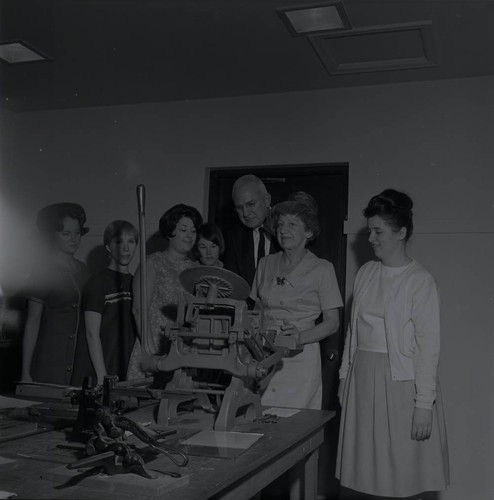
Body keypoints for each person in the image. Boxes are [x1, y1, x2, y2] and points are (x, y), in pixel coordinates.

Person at [336, 189, 449, 499]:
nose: (370, 238)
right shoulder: (366, 273)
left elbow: (428, 348)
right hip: (363, 380)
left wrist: (423, 405)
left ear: (400, 233)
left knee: (400, 475)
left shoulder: (420, 280)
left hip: (401, 385)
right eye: (370, 230)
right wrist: (345, 376)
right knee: (366, 477)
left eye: (378, 231)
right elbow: (353, 331)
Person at [249, 194, 343, 409]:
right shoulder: (265, 263)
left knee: (294, 425)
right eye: (280, 224)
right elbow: (257, 309)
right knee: (260, 420)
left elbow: (332, 322)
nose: (283, 230)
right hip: (264, 355)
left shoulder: (322, 268)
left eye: (292, 224)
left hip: (300, 359)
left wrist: (300, 337)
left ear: (308, 231)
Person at [126, 204, 202, 379]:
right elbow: (138, 311)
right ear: (170, 232)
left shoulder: (195, 269)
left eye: (193, 230)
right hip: (152, 350)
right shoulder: (152, 263)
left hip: (183, 352)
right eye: (183, 229)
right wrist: (152, 355)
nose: (190, 235)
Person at [21, 202, 89, 385]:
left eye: (77, 233)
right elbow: (32, 322)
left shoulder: (84, 270)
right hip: (49, 362)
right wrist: (25, 373)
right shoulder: (42, 271)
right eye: (66, 234)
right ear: (52, 236)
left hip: (78, 361)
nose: (73, 239)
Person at [80, 220, 138, 385]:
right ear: (108, 246)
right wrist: (102, 375)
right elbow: (91, 334)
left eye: (131, 241)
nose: (126, 248)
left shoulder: (136, 282)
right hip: (102, 368)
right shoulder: (98, 282)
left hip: (126, 367)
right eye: (119, 242)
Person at [224, 174, 278, 286]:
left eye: (251, 204)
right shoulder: (234, 237)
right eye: (239, 207)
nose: (245, 213)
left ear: (267, 200)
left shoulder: (288, 228)